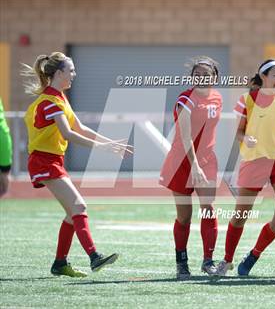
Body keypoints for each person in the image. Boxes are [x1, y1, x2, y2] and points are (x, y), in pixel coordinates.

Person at [22, 52, 132, 277]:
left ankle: (60, 263)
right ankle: (94, 257)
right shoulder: (50, 100)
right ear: (59, 73)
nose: (74, 74)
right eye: (70, 70)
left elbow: (80, 128)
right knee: (79, 207)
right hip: (45, 160)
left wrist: (108, 142)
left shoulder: (59, 98)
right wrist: (100, 148)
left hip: (51, 160)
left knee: (71, 214)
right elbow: (68, 133)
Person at [216, 59, 275, 276]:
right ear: (263, 76)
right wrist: (246, 138)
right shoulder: (247, 100)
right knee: (241, 214)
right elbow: (238, 132)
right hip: (254, 161)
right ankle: (226, 261)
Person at [159, 56, 222, 280]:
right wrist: (194, 165)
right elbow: (186, 137)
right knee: (184, 217)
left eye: (206, 75)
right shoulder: (185, 99)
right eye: (197, 75)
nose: (201, 78)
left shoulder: (217, 98)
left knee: (208, 208)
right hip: (183, 163)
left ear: (215, 77)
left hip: (207, 161)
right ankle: (181, 263)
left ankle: (208, 261)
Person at [0, 97, 12, 197]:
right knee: (5, 172)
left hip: (3, 136)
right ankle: (4, 196)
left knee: (5, 172)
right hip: (4, 136)